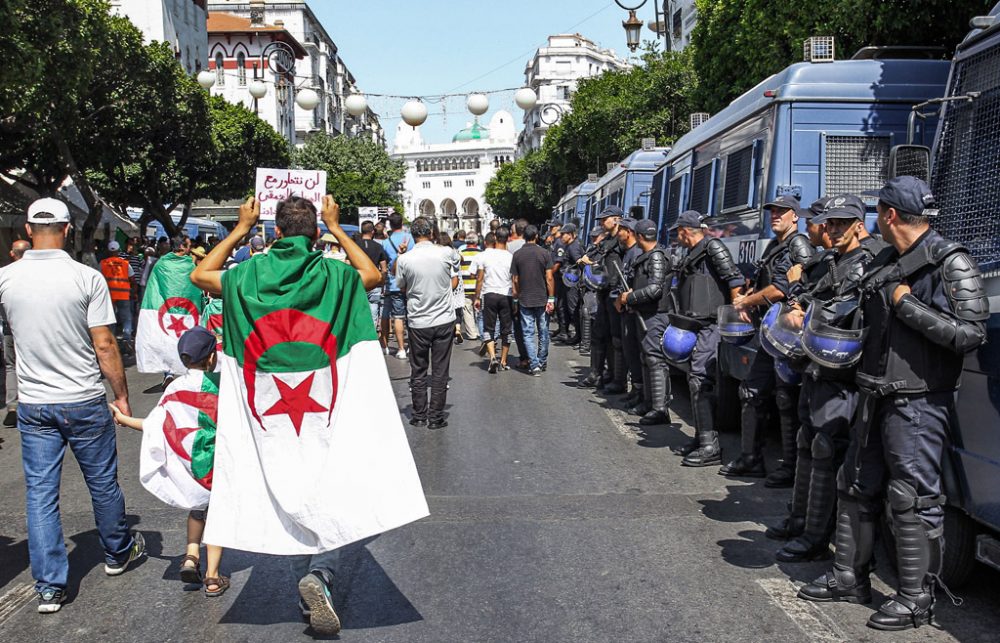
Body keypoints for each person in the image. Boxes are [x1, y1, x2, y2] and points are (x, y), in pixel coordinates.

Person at [193, 195, 426, 637]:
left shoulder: (247, 274)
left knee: (284, 474)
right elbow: (374, 274)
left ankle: (313, 573)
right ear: (315, 233)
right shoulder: (334, 273)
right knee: (326, 480)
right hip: (324, 404)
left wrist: (240, 229)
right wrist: (340, 228)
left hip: (268, 409)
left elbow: (200, 274)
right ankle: (319, 576)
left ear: (275, 232)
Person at [798, 177, 988, 630]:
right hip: (872, 391)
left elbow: (970, 334)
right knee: (855, 484)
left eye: (876, 214)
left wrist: (906, 305)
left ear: (888, 215)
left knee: (911, 498)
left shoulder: (950, 262)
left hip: (918, 401)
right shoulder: (885, 258)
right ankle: (849, 576)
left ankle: (916, 598)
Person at [0, 198, 145, 614]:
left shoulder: (7, 279)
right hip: (82, 399)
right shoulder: (86, 278)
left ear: (27, 231)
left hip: (34, 403)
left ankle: (49, 586)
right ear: (67, 229)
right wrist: (120, 394)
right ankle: (117, 552)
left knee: (40, 494)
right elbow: (104, 343)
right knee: (102, 482)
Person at [767, 195, 878, 564]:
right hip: (815, 366)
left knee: (827, 450)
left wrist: (800, 298)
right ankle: (800, 520)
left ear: (859, 225)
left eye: (840, 224)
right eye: (829, 224)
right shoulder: (832, 260)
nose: (832, 230)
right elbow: (811, 298)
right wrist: (800, 297)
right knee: (806, 440)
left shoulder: (865, 262)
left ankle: (816, 536)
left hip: (842, 371)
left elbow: (839, 309)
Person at [110, 326, 227, 596]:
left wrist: (123, 418)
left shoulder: (175, 387)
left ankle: (190, 556)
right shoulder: (222, 385)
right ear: (211, 357)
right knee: (219, 515)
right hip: (218, 461)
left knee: (198, 509)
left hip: (192, 466)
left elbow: (156, 425)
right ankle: (212, 577)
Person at [721, 196, 813, 483]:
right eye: (773, 211)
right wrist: (745, 296)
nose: (775, 216)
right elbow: (763, 282)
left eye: (781, 212)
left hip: (787, 331)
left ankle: (792, 468)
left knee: (786, 398)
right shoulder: (776, 245)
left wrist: (748, 302)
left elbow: (783, 289)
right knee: (751, 391)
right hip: (770, 332)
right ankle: (752, 458)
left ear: (795, 216)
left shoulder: (798, 244)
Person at [665, 211, 745, 464]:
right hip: (695, 324)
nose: (677, 237)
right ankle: (701, 438)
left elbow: (735, 279)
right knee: (694, 378)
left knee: (700, 380)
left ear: (685, 230)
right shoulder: (694, 251)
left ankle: (711, 447)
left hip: (711, 324)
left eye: (678, 232)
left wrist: (736, 314)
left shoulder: (712, 247)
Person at [396, 217, 460, 428]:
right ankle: (436, 417)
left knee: (418, 369)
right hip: (443, 319)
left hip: (418, 321)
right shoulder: (446, 253)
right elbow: (455, 270)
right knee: (440, 370)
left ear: (412, 235)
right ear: (432, 233)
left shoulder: (405, 260)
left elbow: (401, 286)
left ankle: (419, 414)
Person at [618, 219, 673, 425]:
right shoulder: (647, 256)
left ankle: (660, 408)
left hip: (655, 316)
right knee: (646, 358)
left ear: (640, 237)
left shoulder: (656, 256)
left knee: (655, 360)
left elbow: (655, 289)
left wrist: (629, 298)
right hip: (645, 314)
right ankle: (649, 403)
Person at [579, 206, 624, 390]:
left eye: (604, 219)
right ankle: (597, 373)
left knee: (616, 338)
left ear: (616, 219)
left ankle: (616, 378)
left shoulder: (622, 239)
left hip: (616, 292)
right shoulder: (606, 241)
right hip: (604, 291)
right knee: (599, 334)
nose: (601, 223)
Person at [511, 224, 555, 375]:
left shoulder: (517, 255)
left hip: (524, 299)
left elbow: (515, 280)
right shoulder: (544, 253)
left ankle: (534, 365)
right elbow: (549, 278)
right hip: (542, 298)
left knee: (528, 333)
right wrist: (551, 298)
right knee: (543, 332)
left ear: (523, 236)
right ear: (536, 236)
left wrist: (515, 299)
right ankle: (541, 361)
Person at [474, 229, 515, 373]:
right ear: (508, 238)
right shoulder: (511, 257)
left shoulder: (485, 255)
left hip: (489, 294)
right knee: (506, 329)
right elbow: (514, 279)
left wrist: (477, 297)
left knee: (488, 328)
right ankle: (503, 360)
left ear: (496, 238)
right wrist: (515, 298)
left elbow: (479, 278)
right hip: (507, 295)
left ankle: (492, 356)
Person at [614, 219, 644, 405]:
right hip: (626, 309)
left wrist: (625, 298)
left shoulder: (637, 253)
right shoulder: (628, 252)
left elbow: (636, 283)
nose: (619, 233)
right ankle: (636, 389)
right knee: (629, 350)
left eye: (622, 230)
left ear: (630, 231)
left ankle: (640, 391)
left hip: (635, 310)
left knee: (636, 351)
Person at [2, 239, 29, 427]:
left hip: (9, 327)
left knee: (11, 366)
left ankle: (12, 405)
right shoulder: (37, 275)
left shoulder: (3, 274)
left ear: (13, 254)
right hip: (34, 327)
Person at [381, 213, 414, 360]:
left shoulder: (386, 242)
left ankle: (400, 348)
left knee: (398, 317)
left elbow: (384, 263)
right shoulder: (410, 238)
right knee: (413, 316)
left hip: (394, 283)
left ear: (390, 225)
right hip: (411, 283)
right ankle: (412, 346)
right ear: (402, 223)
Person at [358, 221, 390, 350]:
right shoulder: (378, 247)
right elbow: (384, 268)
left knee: (358, 311)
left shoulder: (355, 246)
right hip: (375, 284)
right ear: (372, 232)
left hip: (359, 283)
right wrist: (382, 282)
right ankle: (371, 341)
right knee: (373, 311)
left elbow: (348, 264)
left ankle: (360, 339)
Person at [553, 223, 584, 345]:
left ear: (570, 235)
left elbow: (580, 263)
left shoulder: (573, 247)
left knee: (573, 309)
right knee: (566, 307)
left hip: (572, 283)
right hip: (568, 281)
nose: (561, 237)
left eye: (564, 234)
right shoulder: (569, 245)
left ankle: (579, 336)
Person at [101, 240, 135, 350]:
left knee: (111, 318)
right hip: (123, 295)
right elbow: (132, 279)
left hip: (109, 296)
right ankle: (127, 340)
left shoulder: (103, 263)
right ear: (118, 250)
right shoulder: (125, 263)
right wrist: (133, 292)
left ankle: (111, 340)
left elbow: (98, 278)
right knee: (126, 319)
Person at [459, 232, 483, 341]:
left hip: (465, 286)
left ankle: (472, 333)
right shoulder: (481, 254)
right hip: (478, 286)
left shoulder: (461, 253)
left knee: (467, 310)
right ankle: (481, 331)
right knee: (479, 310)